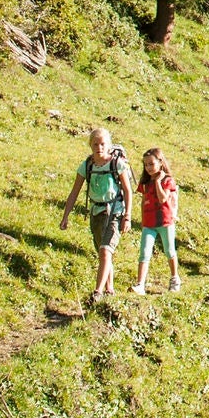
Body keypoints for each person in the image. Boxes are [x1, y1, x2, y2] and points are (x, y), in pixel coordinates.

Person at [59, 127, 131, 305]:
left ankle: (97, 292)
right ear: (90, 145)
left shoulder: (117, 164)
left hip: (114, 212)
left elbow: (128, 192)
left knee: (106, 250)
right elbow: (74, 192)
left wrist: (127, 216)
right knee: (103, 254)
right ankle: (109, 290)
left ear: (109, 145)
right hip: (96, 213)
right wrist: (65, 216)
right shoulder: (87, 165)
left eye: (103, 144)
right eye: (95, 144)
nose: (99, 147)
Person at [130, 147, 181, 294]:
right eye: (146, 165)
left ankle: (174, 278)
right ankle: (140, 284)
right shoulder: (145, 182)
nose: (148, 168)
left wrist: (158, 181)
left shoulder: (167, 180)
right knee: (144, 252)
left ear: (160, 162)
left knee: (169, 250)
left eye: (151, 164)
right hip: (149, 223)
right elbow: (143, 200)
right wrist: (142, 219)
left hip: (165, 221)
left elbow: (163, 198)